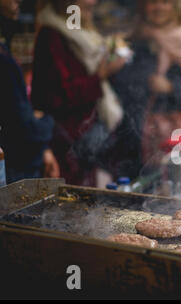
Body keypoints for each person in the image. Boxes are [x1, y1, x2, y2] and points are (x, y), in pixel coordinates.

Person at [109, 0, 181, 179]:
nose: (159, 8)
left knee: (175, 187)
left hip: (178, 133)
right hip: (136, 135)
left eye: (165, 2)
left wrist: (171, 87)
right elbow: (121, 85)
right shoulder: (135, 39)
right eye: (152, 2)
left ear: (175, 6)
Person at [32, 0, 126, 186]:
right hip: (66, 144)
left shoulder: (83, 34)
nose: (92, 2)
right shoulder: (52, 36)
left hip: (87, 140)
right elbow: (63, 96)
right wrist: (102, 73)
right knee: (72, 203)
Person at [0, 0, 59, 184]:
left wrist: (44, 148)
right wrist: (45, 121)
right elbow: (23, 126)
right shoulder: (4, 62)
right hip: (14, 171)